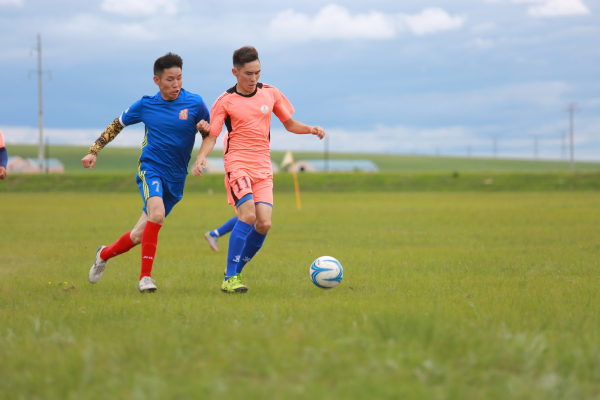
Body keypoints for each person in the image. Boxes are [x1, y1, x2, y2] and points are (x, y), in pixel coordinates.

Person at [192, 46, 325, 294]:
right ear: (235, 72)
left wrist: (310, 129)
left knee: (264, 224)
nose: (254, 78)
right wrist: (201, 157)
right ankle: (230, 278)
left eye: (258, 73)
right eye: (248, 73)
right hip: (237, 164)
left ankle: (236, 272)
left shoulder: (270, 93)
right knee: (248, 215)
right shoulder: (225, 101)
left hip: (263, 167)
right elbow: (212, 135)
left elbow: (289, 123)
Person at [82, 52, 210, 293]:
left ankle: (103, 254)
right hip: (151, 168)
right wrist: (94, 151)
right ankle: (145, 278)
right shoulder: (146, 104)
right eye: (170, 79)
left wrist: (204, 130)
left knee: (139, 235)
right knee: (157, 214)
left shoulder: (195, 103)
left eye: (179, 78)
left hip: (176, 177)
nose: (176, 84)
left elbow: (209, 134)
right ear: (157, 81)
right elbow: (117, 124)